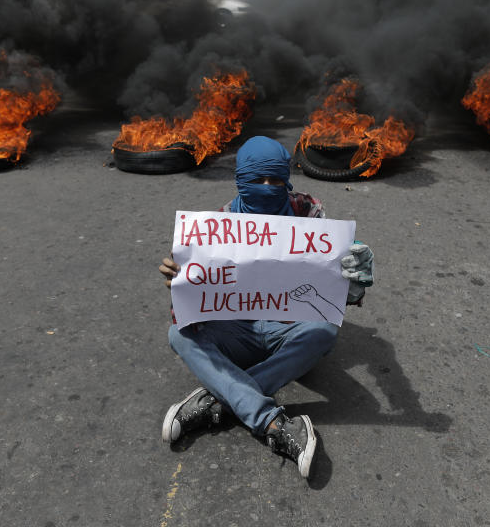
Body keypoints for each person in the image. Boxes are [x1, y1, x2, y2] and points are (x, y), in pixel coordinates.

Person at [158, 136, 374, 479]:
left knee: (324, 331)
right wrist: (181, 284)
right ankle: (269, 420)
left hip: (286, 332)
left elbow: (332, 294)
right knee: (178, 334)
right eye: (258, 180)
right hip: (237, 334)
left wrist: (355, 277)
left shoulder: (309, 215)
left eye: (276, 179)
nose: (268, 187)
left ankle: (221, 399)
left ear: (287, 179)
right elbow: (190, 313)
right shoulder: (215, 228)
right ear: (240, 180)